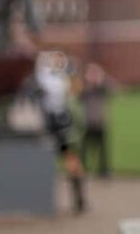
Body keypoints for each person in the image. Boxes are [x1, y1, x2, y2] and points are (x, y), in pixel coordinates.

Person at [36, 51, 86, 213]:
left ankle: (77, 200)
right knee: (67, 159)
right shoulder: (57, 78)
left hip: (54, 124)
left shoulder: (50, 79)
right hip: (58, 123)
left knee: (68, 160)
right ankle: (78, 201)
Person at [80, 62, 112, 178]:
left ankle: (104, 170)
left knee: (102, 149)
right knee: (84, 148)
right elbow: (80, 96)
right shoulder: (85, 89)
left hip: (100, 122)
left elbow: (111, 88)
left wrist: (100, 79)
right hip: (89, 122)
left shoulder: (102, 87)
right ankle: (83, 168)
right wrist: (89, 83)